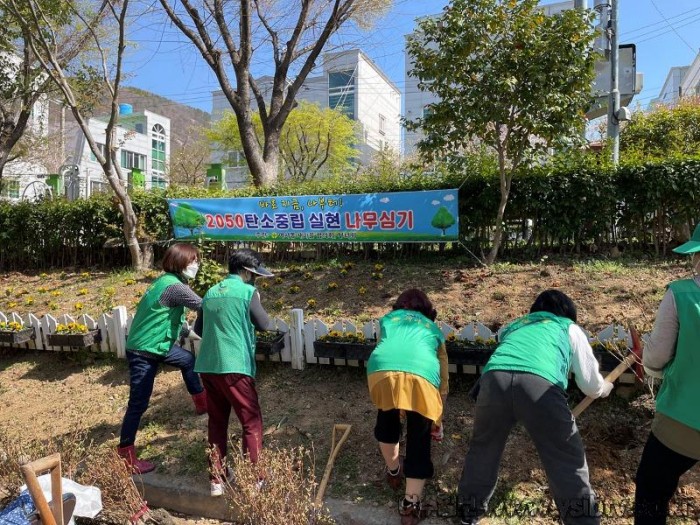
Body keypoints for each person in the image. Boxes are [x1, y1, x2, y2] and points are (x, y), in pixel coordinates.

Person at [457, 289, 614, 525]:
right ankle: (583, 521)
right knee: (565, 459)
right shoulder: (568, 327)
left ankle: (468, 513)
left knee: (483, 448)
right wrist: (605, 388)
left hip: (493, 381)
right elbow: (590, 384)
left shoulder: (516, 326)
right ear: (568, 313)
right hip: (539, 387)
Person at [118, 243, 205, 474]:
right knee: (138, 403)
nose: (196, 265)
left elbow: (166, 316)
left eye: (197, 260)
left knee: (187, 360)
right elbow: (204, 305)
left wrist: (189, 333)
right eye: (192, 261)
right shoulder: (174, 286)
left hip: (157, 345)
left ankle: (201, 403)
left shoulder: (164, 282)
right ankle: (126, 456)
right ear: (179, 262)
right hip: (144, 350)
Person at [194, 248, 274, 497]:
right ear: (245, 271)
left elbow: (199, 328)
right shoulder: (247, 292)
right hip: (235, 367)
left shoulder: (210, 292)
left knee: (217, 422)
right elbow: (264, 324)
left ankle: (217, 479)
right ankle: (255, 479)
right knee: (251, 422)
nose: (256, 279)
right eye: (255, 274)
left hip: (208, 366)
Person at [634, 224, 700, 525]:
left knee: (652, 489)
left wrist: (653, 367)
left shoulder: (682, 295)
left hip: (684, 417)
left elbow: (657, 356)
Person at [366, 288, 449, 525]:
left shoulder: (388, 321)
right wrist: (437, 421)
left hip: (381, 372)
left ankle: (394, 471)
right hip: (423, 378)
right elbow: (442, 382)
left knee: (387, 416)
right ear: (428, 312)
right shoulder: (433, 330)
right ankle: (410, 507)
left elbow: (388, 351)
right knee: (419, 438)